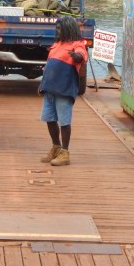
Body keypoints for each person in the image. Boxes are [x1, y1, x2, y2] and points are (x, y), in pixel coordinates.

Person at [39, 15, 88, 166]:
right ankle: (56, 147)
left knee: (64, 121)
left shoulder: (77, 44)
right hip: (49, 88)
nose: (57, 30)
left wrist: (77, 56)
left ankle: (65, 153)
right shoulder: (57, 44)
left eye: (60, 28)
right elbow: (48, 66)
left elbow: (81, 56)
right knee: (49, 118)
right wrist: (42, 85)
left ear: (68, 29)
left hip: (64, 88)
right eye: (57, 28)